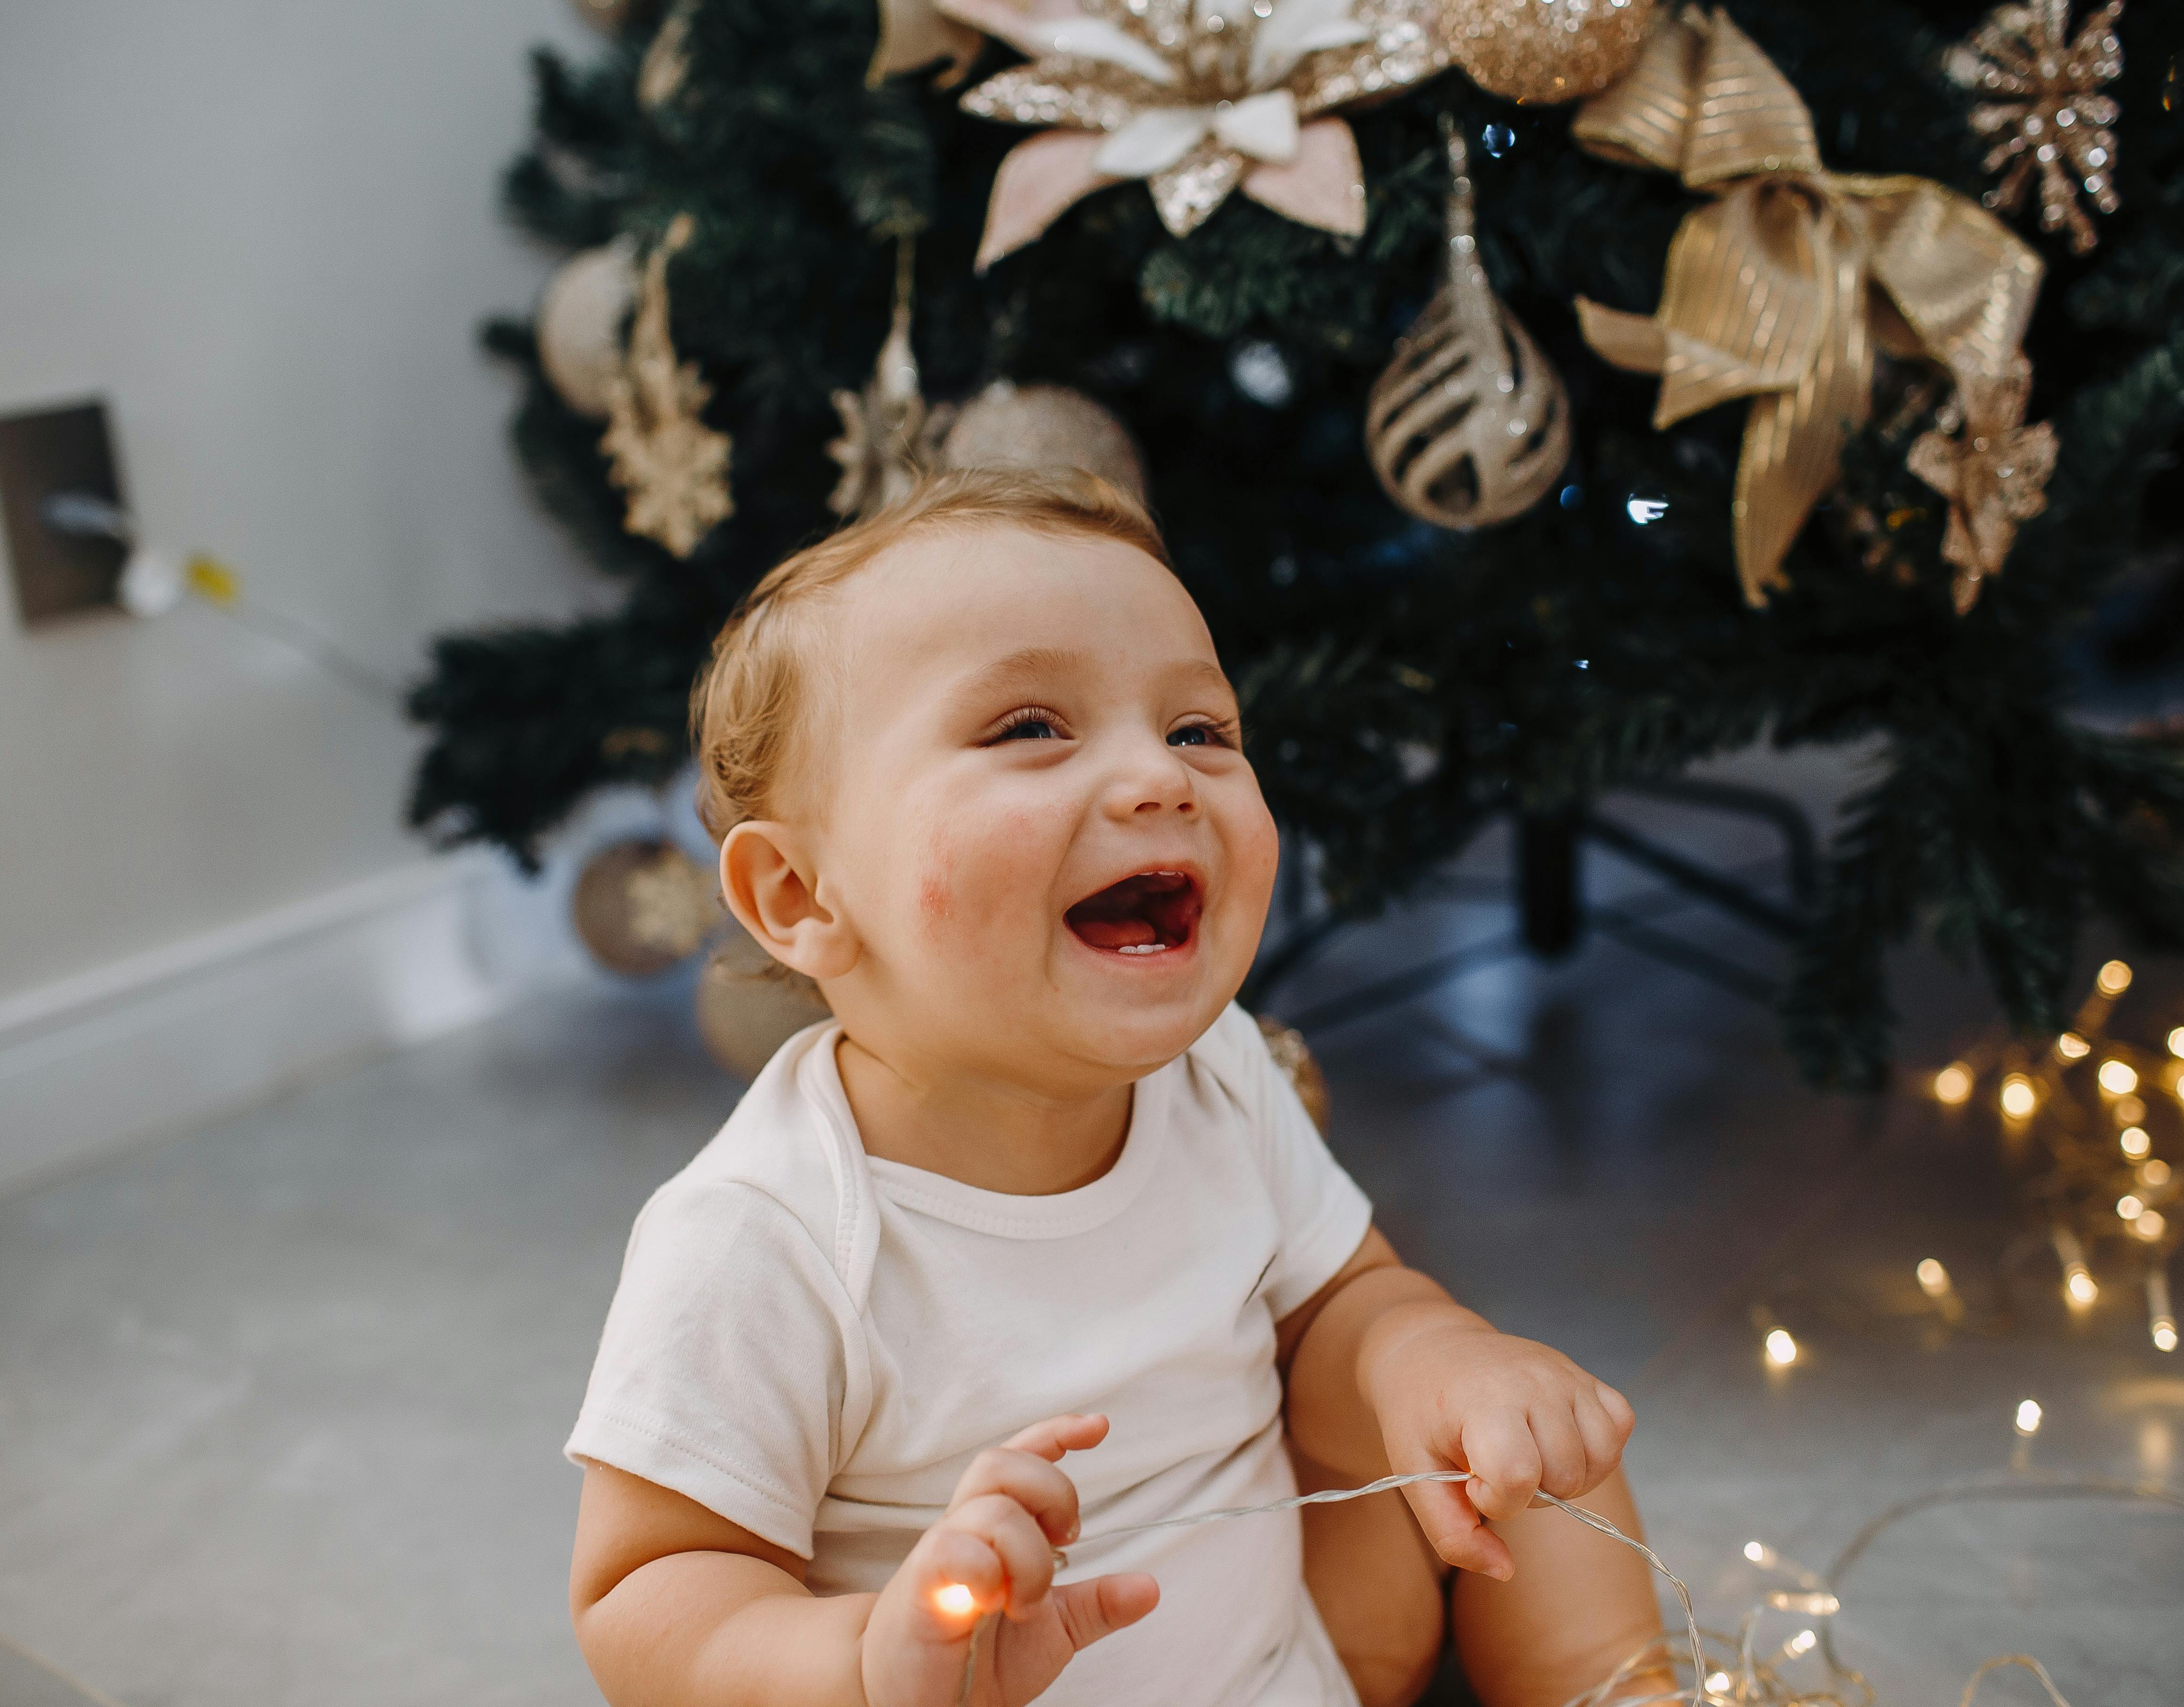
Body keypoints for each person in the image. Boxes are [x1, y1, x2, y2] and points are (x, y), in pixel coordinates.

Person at [564, 468, 1666, 1707]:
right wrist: (869, 1660)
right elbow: (649, 1595)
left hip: (1302, 1660)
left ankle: (1616, 1692)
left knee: (1529, 1434)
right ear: (803, 899)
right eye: (1030, 729)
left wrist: (1430, 1364)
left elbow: (1336, 1312)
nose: (1161, 780)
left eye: (1200, 730)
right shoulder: (763, 1237)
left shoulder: (1220, 1075)